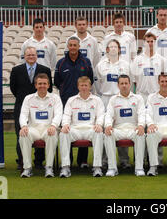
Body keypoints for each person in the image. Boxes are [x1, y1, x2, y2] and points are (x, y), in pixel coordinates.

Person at [9, 47, 52, 170]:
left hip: (41, 107)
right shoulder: (16, 70)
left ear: (37, 56)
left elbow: (48, 89)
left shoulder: (45, 70)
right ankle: (22, 161)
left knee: (41, 131)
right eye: (28, 55)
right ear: (24, 56)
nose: (31, 57)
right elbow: (13, 88)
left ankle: (39, 162)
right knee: (22, 134)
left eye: (33, 54)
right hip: (21, 106)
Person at [54, 36, 94, 168]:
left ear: (79, 46)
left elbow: (91, 79)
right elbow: (57, 82)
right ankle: (68, 160)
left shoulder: (86, 62)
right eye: (70, 45)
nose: (72, 47)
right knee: (67, 129)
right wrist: (66, 91)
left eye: (75, 45)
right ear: (67, 46)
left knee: (84, 125)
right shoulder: (61, 63)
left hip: (83, 100)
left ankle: (82, 161)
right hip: (66, 101)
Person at [58, 76, 105, 178]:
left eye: (86, 85)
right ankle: (65, 167)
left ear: (90, 86)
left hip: (91, 129)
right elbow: (66, 115)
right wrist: (65, 125)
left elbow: (101, 115)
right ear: (78, 87)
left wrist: (99, 124)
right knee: (63, 133)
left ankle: (97, 167)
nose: (84, 88)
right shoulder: (71, 100)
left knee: (99, 133)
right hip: (75, 129)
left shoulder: (97, 100)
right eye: (82, 85)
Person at [18, 73, 63, 178]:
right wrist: (24, 126)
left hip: (49, 128)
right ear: (35, 85)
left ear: (48, 85)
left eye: (44, 83)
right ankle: (27, 168)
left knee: (52, 134)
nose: (42, 86)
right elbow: (23, 114)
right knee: (23, 134)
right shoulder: (28, 98)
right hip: (33, 128)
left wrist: (54, 125)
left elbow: (58, 114)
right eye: (39, 84)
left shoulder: (55, 98)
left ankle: (49, 168)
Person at [103, 75, 147, 177]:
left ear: (130, 84)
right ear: (118, 85)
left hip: (133, 128)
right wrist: (108, 125)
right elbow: (109, 114)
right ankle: (112, 168)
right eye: (121, 83)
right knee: (108, 134)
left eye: (126, 83)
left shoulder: (138, 98)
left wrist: (141, 125)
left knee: (140, 134)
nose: (124, 86)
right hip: (118, 128)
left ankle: (139, 168)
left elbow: (142, 113)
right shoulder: (113, 99)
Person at [130, 32, 167, 103]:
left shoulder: (162, 60)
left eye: (152, 41)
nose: (150, 43)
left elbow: (164, 78)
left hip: (156, 95)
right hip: (141, 95)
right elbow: (134, 80)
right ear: (144, 43)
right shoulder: (137, 60)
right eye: (147, 41)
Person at [95, 39, 131, 107]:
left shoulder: (126, 65)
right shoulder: (100, 65)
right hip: (105, 98)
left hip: (121, 98)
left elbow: (129, 82)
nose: (113, 49)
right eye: (111, 47)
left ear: (119, 49)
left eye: (115, 47)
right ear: (107, 50)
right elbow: (97, 84)